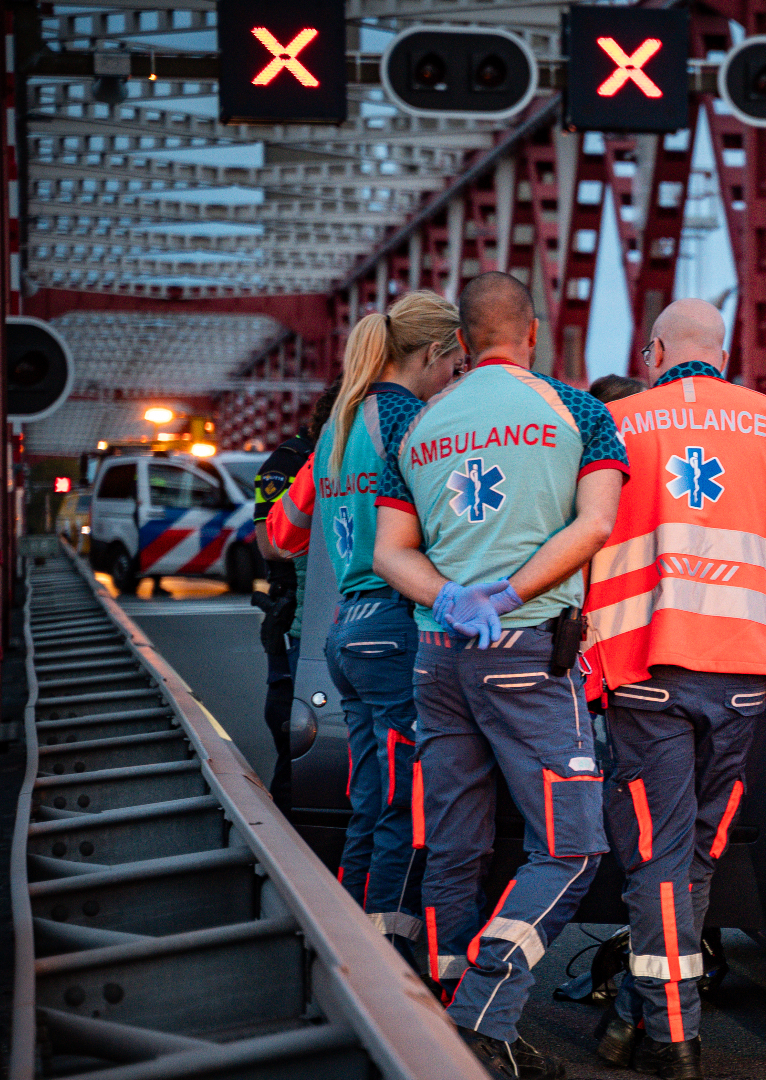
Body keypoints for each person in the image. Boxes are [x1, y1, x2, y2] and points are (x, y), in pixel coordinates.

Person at [584, 298, 766, 1080]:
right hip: (743, 677)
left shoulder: (618, 423)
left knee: (658, 858)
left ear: (654, 352)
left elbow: (582, 532)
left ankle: (672, 1035)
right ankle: (644, 1015)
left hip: (644, 672)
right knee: (696, 855)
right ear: (724, 356)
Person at [373, 272, 627, 1078]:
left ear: (459, 342)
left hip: (440, 655)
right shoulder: (577, 411)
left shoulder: (420, 426)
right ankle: (485, 1011)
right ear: (534, 333)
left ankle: (449, 1027)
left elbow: (388, 553)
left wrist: (451, 596)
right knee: (572, 848)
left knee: (455, 844)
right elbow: (597, 523)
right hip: (526, 653)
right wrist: (511, 594)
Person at [264, 293, 462, 953]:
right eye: (454, 365)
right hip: (396, 624)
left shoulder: (338, 426)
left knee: (371, 800)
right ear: (431, 353)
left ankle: (348, 945)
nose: (454, 379)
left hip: (346, 626)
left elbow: (282, 533)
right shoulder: (411, 422)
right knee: (406, 806)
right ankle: (390, 955)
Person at [250, 383, 337, 814]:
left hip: (322, 612)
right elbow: (270, 543)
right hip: (295, 610)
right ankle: (280, 835)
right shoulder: (289, 462)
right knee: (292, 728)